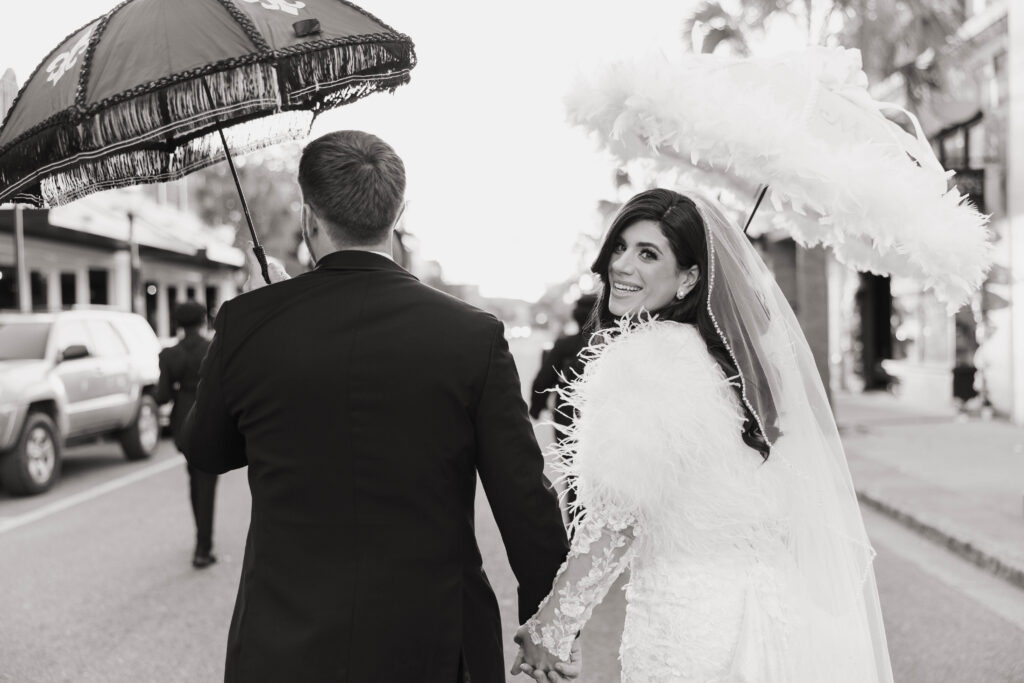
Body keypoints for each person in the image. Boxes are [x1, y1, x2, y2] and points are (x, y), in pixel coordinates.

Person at [183, 130, 572, 683]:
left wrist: (238, 338)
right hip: (436, 644)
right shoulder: (472, 336)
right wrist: (552, 626)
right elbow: (524, 497)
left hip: (286, 645)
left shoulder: (249, 322)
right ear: (398, 212)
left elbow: (207, 449)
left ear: (309, 216)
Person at [513, 189, 894, 682]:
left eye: (648, 254)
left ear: (689, 277)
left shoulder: (644, 360)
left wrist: (554, 626)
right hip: (776, 619)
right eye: (620, 247)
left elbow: (616, 518)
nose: (622, 266)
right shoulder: (736, 369)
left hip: (689, 630)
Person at [156, 300, 218, 569]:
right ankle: (202, 547)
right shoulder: (213, 348)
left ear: (178, 325)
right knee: (206, 483)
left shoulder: (169, 354)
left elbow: (162, 396)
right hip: (210, 419)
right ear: (203, 320)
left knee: (195, 480)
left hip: (183, 423)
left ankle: (202, 541)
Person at [529, 294, 597, 527]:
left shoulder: (565, 345)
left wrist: (536, 409)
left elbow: (543, 381)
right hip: (601, 424)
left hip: (567, 422)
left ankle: (576, 531)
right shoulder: (608, 344)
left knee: (573, 478)